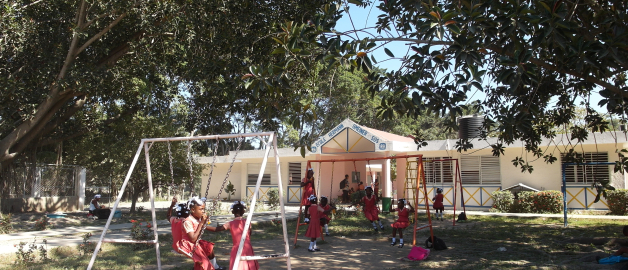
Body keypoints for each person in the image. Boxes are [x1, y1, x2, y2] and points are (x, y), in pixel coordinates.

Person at [176, 197, 226, 270]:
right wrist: (202, 223)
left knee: (209, 247)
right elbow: (192, 239)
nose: (203, 211)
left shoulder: (197, 219)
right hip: (189, 244)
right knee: (203, 261)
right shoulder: (187, 221)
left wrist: (204, 222)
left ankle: (216, 267)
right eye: (201, 209)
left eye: (203, 209)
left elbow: (204, 227)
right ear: (193, 210)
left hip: (196, 242)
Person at [219, 201, 259, 270]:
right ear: (243, 211)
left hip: (237, 248)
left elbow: (216, 229)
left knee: (237, 265)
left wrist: (203, 225)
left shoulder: (230, 224)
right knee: (249, 264)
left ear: (232, 212)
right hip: (248, 247)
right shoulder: (247, 222)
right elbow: (250, 233)